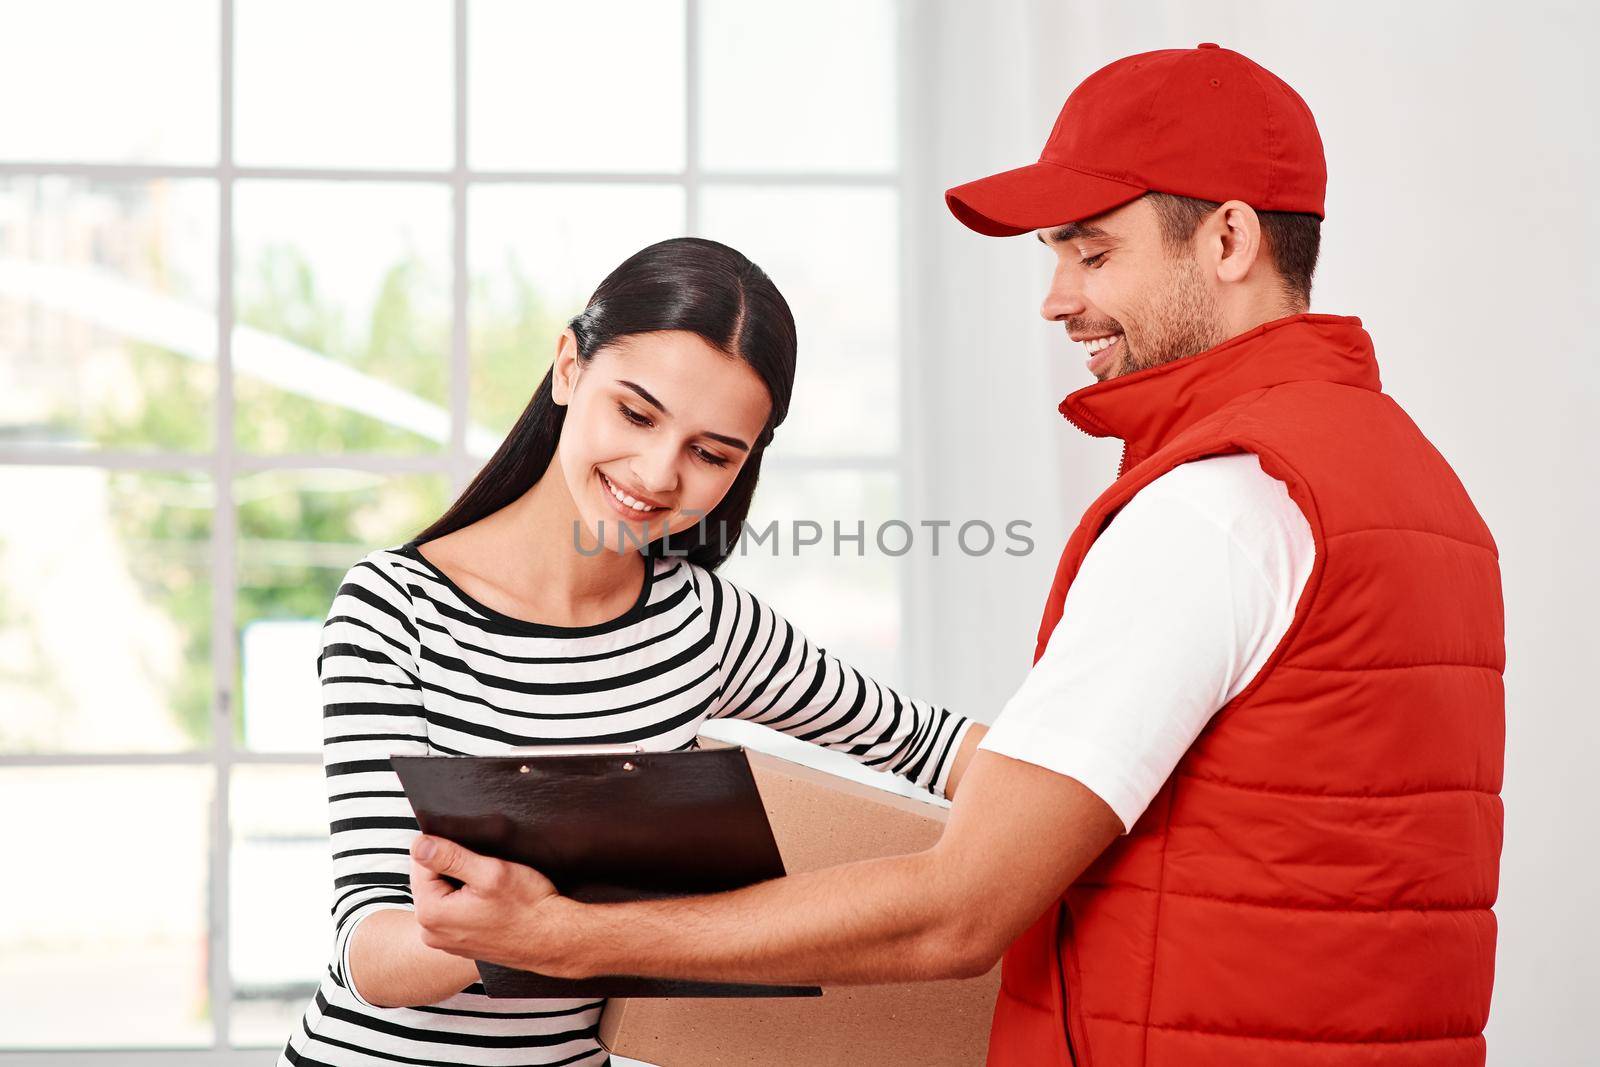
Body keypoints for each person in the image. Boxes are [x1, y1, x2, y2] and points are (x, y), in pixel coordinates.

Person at [408, 45, 1506, 1067]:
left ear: (1225, 240)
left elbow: (957, 909)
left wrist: (581, 932)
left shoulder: (1220, 502)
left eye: (1094, 249)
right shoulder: (1409, 483)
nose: (1056, 297)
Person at [275, 236, 984, 1067]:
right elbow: (371, 953)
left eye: (712, 452)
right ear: (569, 367)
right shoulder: (397, 609)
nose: (656, 473)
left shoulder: (700, 622)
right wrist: (523, 930)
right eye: (637, 414)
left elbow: (939, 746)